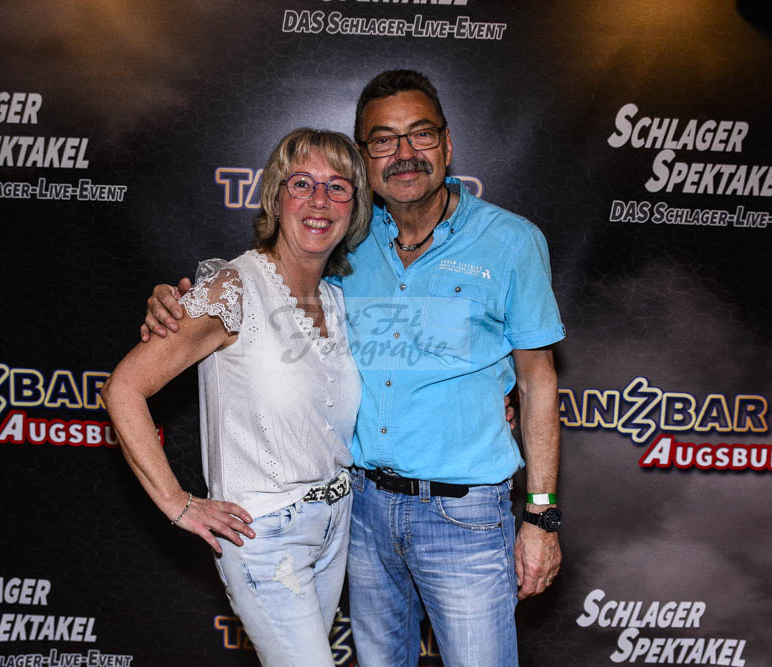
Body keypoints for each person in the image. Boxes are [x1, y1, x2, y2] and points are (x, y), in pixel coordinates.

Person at [142, 70, 565, 667]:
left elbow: (538, 381)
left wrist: (542, 514)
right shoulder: (346, 246)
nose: (405, 153)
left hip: (464, 516)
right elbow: (254, 301)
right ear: (366, 159)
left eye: (421, 134)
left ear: (448, 145)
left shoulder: (512, 243)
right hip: (361, 513)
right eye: (384, 140)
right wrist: (172, 306)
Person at [102, 128, 372, 667]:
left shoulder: (337, 300)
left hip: (336, 527)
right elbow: (123, 388)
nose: (320, 200)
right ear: (275, 196)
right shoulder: (234, 289)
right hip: (264, 535)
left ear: (354, 207)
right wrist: (177, 503)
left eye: (338, 187)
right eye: (303, 183)